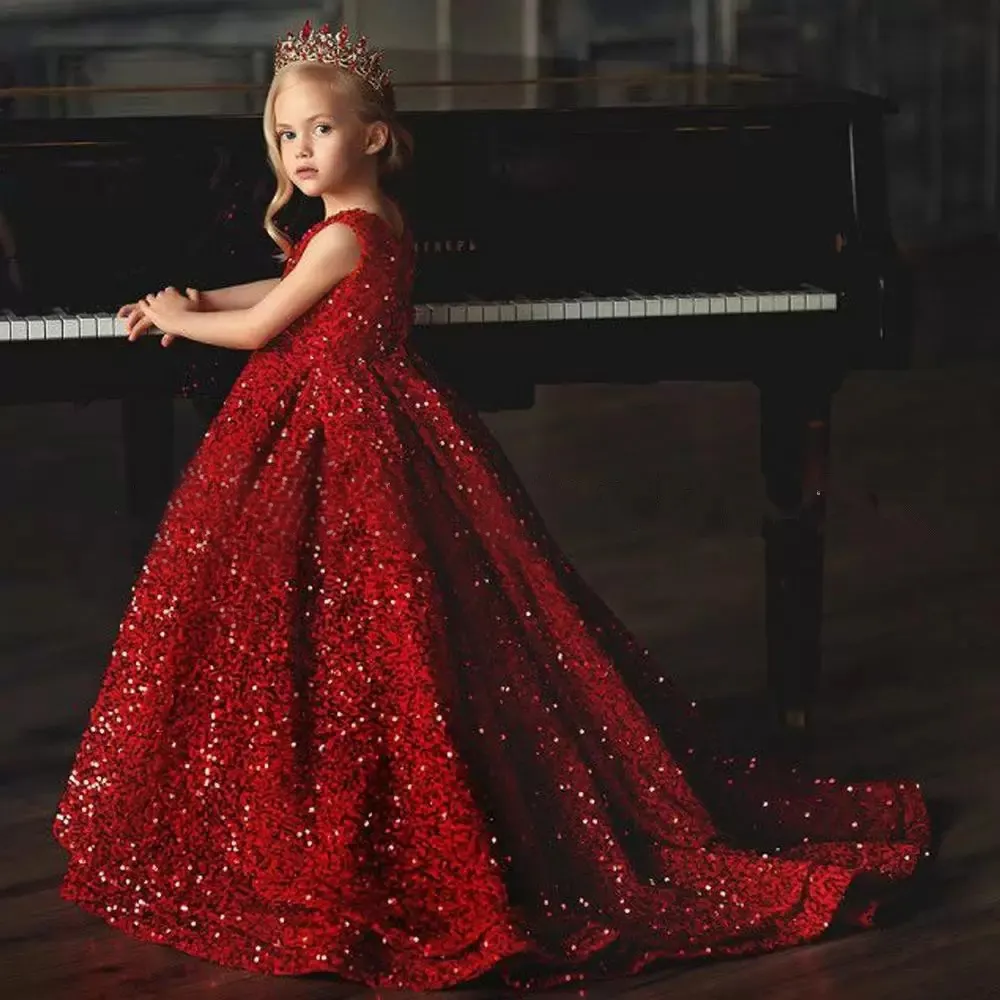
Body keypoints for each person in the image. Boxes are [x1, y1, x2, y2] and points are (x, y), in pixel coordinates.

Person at [53, 21, 932, 992]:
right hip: (361, 422)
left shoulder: (345, 236)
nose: (301, 152)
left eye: (320, 131)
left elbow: (270, 318)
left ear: (375, 137)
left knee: (344, 618)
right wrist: (199, 288)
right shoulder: (362, 225)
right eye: (286, 137)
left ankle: (366, 810)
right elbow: (283, 283)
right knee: (361, 623)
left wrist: (179, 317)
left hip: (344, 443)